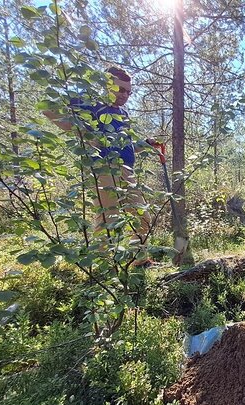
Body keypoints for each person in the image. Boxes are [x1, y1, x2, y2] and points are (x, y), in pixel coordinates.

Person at [44, 66, 153, 264]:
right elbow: (47, 106)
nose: (125, 95)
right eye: (121, 89)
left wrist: (145, 144)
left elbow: (125, 145)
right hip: (102, 168)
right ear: (107, 84)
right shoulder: (91, 103)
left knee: (142, 216)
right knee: (108, 220)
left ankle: (139, 260)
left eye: (129, 91)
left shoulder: (123, 114)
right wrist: (83, 133)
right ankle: (105, 268)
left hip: (127, 170)